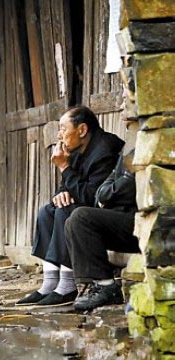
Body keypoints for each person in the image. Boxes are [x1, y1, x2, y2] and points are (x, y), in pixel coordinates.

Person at [17, 106, 124, 306]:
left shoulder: (105, 149)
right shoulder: (75, 149)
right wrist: (60, 194)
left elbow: (96, 197)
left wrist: (64, 167)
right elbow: (66, 185)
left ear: (82, 130)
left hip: (110, 218)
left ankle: (67, 285)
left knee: (66, 212)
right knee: (48, 211)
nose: (59, 134)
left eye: (63, 129)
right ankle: (49, 284)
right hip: (85, 211)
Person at [66, 150, 139, 311]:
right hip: (124, 216)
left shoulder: (149, 148)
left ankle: (107, 286)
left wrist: (108, 195)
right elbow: (101, 191)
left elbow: (129, 189)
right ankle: (96, 284)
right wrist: (108, 194)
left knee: (81, 217)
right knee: (71, 220)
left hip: (144, 224)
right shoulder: (129, 151)